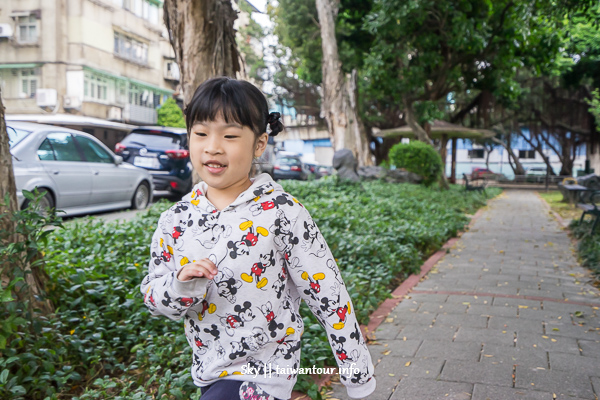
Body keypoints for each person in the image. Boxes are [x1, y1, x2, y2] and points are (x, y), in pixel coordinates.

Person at [140, 77, 376, 400]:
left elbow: (329, 295)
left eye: (230, 135)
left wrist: (357, 374)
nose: (213, 146)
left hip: (266, 375)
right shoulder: (176, 220)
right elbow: (153, 297)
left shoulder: (282, 212)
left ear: (260, 144)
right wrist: (181, 284)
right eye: (201, 133)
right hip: (209, 373)